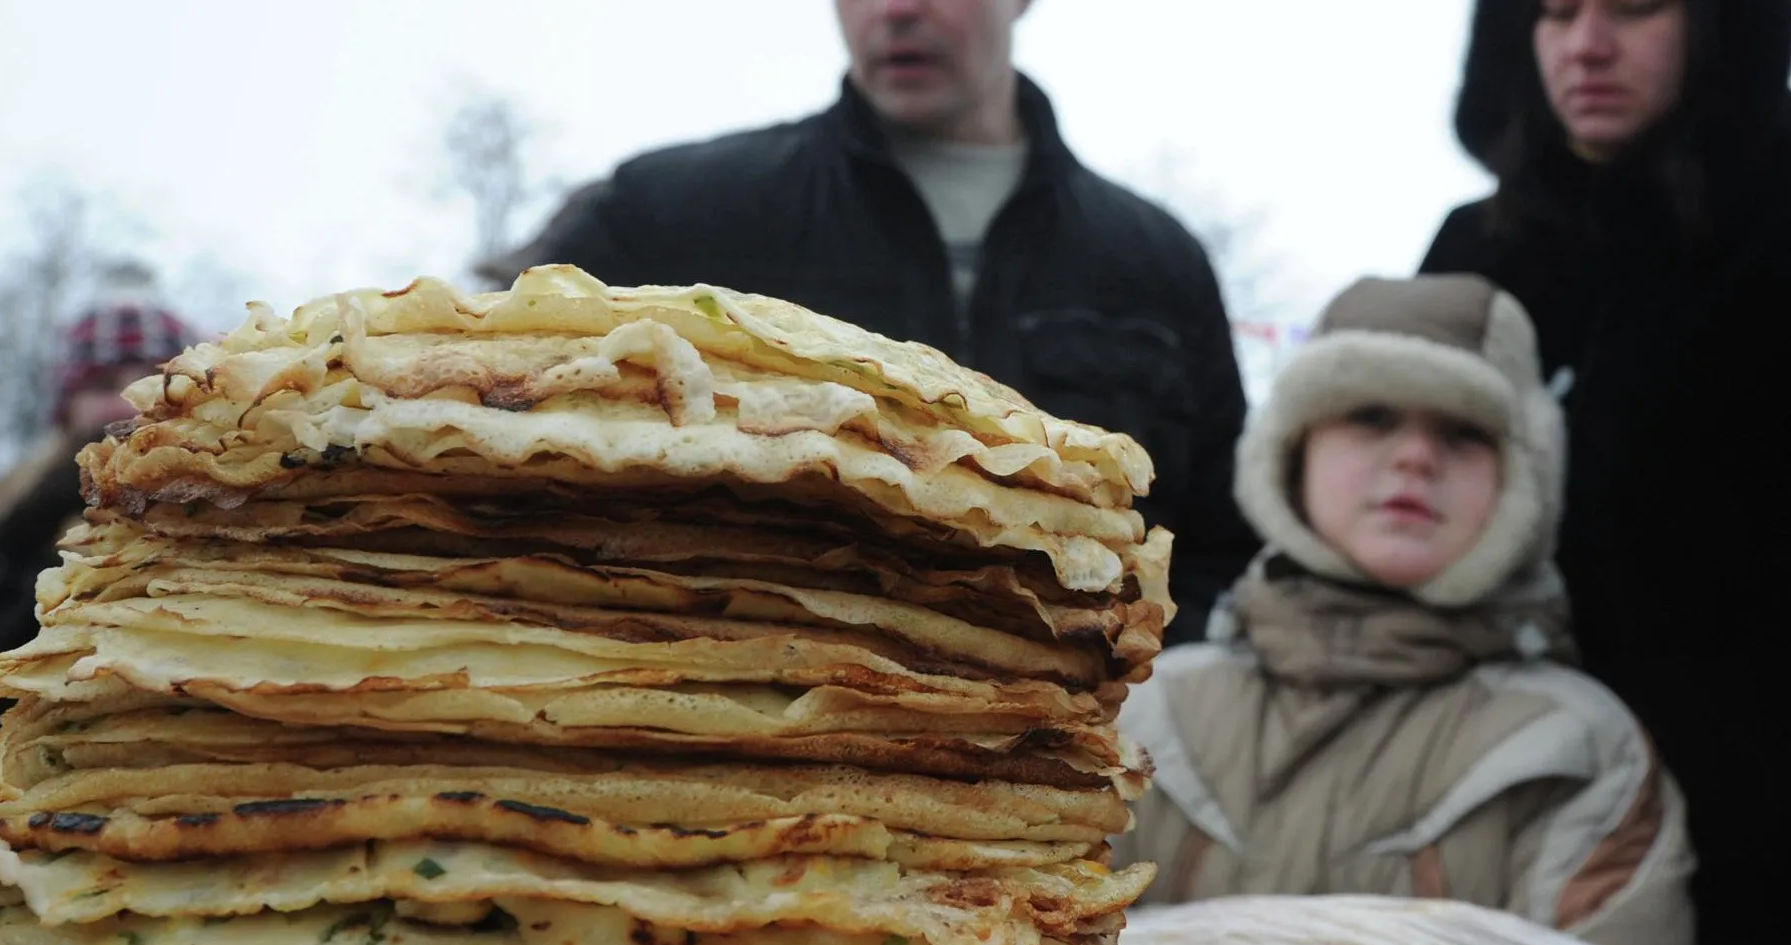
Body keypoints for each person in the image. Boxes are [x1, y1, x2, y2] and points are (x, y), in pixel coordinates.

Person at [500, 0, 1258, 643]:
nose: (895, 10)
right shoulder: (674, 212)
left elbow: (1217, 532)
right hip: (726, 736)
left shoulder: (1155, 260)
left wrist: (1124, 678)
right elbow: (500, 415)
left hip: (1054, 760)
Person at [1419, 0, 1791, 945]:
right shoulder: (1473, 255)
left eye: (1632, 8)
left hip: (1770, 860)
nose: (1586, 45)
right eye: (1555, 13)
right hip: (1500, 824)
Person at [1112, 275, 1695, 945]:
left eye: (1464, 431)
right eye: (1371, 416)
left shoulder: (1582, 751)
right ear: (1292, 452)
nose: (1416, 456)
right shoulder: (1144, 711)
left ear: (1521, 480)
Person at [0, 262, 197, 848]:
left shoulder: (236, 509)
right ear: (66, 404)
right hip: (0, 824)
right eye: (104, 385)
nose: (125, 403)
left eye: (151, 378)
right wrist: (14, 537)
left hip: (185, 814)